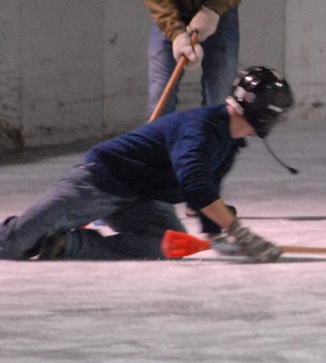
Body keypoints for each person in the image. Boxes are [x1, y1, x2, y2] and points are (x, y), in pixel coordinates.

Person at [0, 67, 292, 263]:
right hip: (101, 182)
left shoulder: (228, 141)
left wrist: (215, 234)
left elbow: (206, 188)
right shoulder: (200, 129)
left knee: (166, 244)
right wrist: (237, 231)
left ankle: (70, 246)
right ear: (264, 115)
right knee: (15, 244)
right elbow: (195, 184)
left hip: (143, 198)